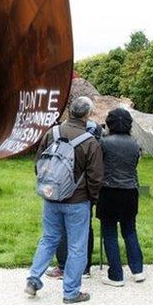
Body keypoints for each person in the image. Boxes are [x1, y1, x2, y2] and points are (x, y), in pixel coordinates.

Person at [25, 96, 104, 304]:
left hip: (51, 197)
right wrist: (93, 200)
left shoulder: (53, 132)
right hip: (77, 201)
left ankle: (33, 278)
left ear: (70, 110)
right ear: (87, 115)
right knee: (77, 246)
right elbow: (96, 178)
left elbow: (38, 163)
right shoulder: (90, 141)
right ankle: (70, 292)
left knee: (49, 239)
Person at [47, 119, 102, 280]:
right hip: (83, 193)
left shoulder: (58, 132)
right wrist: (93, 196)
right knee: (84, 231)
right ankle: (84, 267)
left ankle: (63, 266)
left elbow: (41, 162)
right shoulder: (93, 135)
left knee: (62, 229)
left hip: (60, 189)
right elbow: (95, 174)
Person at [97, 107, 143, 286]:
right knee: (130, 230)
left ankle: (115, 275)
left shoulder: (104, 143)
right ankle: (137, 269)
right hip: (130, 190)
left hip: (109, 191)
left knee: (109, 233)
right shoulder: (135, 143)